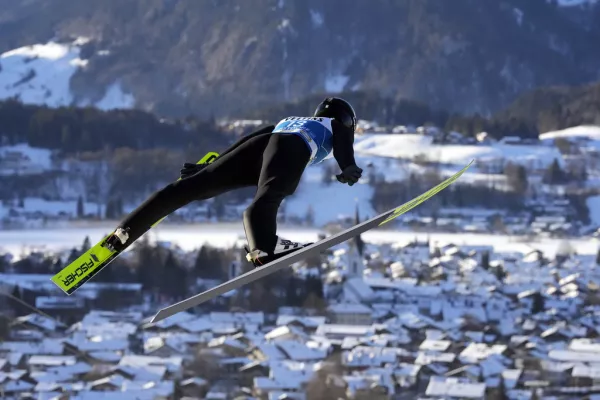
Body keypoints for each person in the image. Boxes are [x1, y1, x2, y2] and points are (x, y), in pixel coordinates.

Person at [104, 97, 363, 267]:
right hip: (292, 147)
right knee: (270, 195)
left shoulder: (293, 120)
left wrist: (211, 166)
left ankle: (126, 230)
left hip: (262, 146)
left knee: (192, 188)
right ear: (344, 119)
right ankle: (263, 247)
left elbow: (252, 138)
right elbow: (341, 138)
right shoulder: (331, 125)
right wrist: (348, 166)